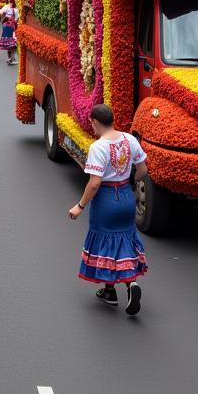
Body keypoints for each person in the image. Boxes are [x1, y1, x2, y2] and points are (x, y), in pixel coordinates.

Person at [68, 103, 148, 315]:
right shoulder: (129, 140)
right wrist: (129, 182)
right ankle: (117, 288)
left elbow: (94, 183)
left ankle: (121, 287)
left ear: (95, 122)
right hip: (125, 196)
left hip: (105, 200)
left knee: (106, 241)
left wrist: (80, 206)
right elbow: (143, 169)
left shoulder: (98, 147)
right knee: (124, 238)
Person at [0, 0, 18, 64]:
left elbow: (1, 12)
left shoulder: (12, 8)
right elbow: (17, 19)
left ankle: (10, 58)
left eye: (11, 2)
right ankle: (11, 58)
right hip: (11, 28)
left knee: (9, 44)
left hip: (7, 27)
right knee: (12, 44)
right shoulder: (14, 9)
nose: (10, 3)